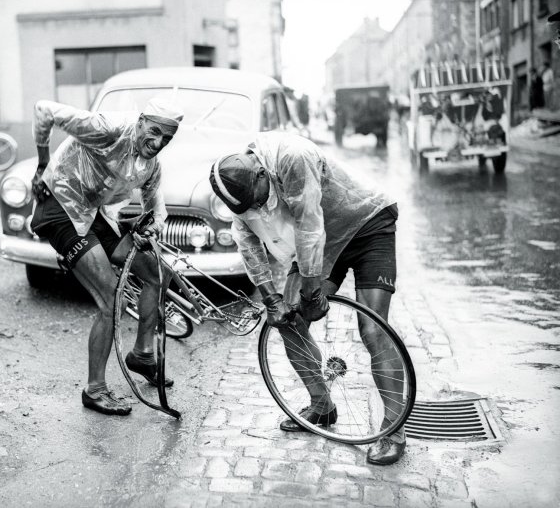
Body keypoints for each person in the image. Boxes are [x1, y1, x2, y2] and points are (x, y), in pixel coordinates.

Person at [209, 131, 407, 465]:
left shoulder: (292, 157)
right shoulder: (240, 190)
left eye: (257, 200)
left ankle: (393, 429)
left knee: (373, 330)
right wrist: (272, 300)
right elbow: (248, 244)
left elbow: (310, 224)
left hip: (367, 222)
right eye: (247, 207)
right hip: (321, 241)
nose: (255, 208)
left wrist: (313, 291)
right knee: (288, 321)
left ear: (260, 173)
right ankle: (322, 405)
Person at [29, 97, 183, 416]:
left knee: (157, 272)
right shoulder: (108, 130)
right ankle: (94, 389)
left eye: (166, 139)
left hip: (90, 212)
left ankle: (142, 355)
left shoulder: (150, 164)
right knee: (111, 298)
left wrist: (150, 226)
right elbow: (44, 111)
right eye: (153, 132)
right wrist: (42, 164)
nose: (157, 143)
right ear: (140, 121)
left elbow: (156, 208)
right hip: (58, 205)